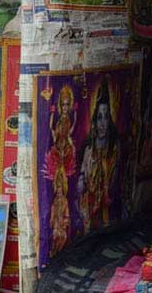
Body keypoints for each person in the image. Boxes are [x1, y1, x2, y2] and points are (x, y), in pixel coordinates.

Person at [78, 78, 119, 234]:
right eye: (99, 117)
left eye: (106, 117)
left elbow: (114, 182)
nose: (103, 123)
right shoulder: (89, 150)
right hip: (90, 208)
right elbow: (83, 174)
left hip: (106, 210)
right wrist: (82, 180)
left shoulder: (113, 151)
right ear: (94, 121)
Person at [42, 84, 78, 255]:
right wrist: (50, 114)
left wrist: (65, 220)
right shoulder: (58, 121)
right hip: (58, 147)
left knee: (61, 235)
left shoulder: (68, 120)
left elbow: (69, 132)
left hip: (65, 146)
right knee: (56, 234)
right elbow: (53, 131)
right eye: (62, 105)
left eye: (66, 105)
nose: (64, 108)